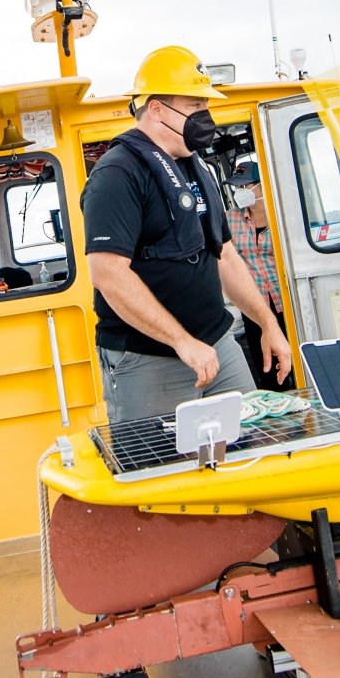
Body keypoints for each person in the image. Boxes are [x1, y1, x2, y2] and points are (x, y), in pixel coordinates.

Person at [82, 46, 291, 425]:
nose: (204, 117)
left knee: (248, 450)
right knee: (159, 470)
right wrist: (182, 342)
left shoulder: (198, 168)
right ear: (157, 109)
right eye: (195, 106)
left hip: (218, 347)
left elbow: (224, 254)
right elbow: (109, 274)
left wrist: (267, 323)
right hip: (150, 360)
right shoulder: (117, 174)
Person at [223, 160, 295, 392]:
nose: (241, 193)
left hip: (288, 303)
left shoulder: (284, 214)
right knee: (269, 369)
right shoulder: (229, 219)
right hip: (255, 308)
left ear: (262, 186)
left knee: (297, 362)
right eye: (237, 188)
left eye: (246, 186)